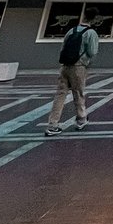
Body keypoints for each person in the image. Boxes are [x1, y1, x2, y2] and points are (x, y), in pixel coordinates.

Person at [45, 8, 99, 136]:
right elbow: (92, 52)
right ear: (94, 19)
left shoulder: (71, 31)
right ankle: (81, 119)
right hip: (78, 67)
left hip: (65, 66)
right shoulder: (91, 33)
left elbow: (63, 48)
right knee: (78, 92)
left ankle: (52, 124)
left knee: (60, 94)